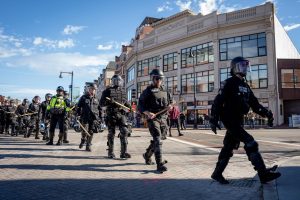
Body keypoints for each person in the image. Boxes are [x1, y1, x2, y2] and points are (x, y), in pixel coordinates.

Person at [209, 56, 281, 184]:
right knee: (251, 143)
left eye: (246, 65)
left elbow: (255, 105)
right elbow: (218, 101)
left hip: (238, 121)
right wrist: (213, 119)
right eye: (242, 65)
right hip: (230, 120)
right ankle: (263, 174)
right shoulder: (229, 82)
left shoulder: (246, 86)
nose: (245, 68)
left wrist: (268, 114)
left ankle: (217, 174)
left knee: (228, 148)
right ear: (235, 68)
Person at [138, 69, 172, 173]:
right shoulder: (147, 91)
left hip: (163, 119)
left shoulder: (165, 90)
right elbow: (140, 106)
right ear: (152, 79)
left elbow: (171, 101)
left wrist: (170, 106)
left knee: (159, 139)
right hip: (153, 118)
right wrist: (148, 113)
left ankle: (147, 155)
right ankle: (159, 164)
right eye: (157, 79)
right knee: (157, 139)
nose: (158, 81)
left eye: (160, 79)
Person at [100, 75, 132, 159]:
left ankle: (123, 153)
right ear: (113, 81)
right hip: (111, 114)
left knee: (125, 131)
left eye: (119, 80)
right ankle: (110, 152)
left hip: (121, 114)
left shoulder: (123, 91)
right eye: (115, 80)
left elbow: (125, 102)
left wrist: (131, 108)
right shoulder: (107, 91)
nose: (117, 82)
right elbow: (101, 103)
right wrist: (109, 101)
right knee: (111, 134)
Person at [77, 83, 101, 152]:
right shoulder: (83, 97)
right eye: (92, 89)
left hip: (93, 118)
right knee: (84, 131)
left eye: (94, 89)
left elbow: (100, 109)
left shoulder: (97, 98)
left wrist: (101, 118)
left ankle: (88, 145)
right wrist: (78, 114)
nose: (93, 91)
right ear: (89, 89)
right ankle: (83, 139)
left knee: (91, 131)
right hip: (85, 117)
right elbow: (78, 107)